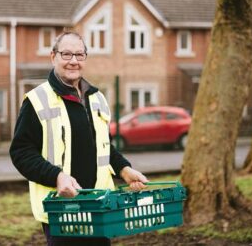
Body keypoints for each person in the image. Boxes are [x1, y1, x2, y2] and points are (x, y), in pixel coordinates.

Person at [10, 31, 148, 246]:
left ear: (85, 58)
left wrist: (124, 169)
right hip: (62, 208)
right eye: (66, 54)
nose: (73, 61)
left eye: (79, 55)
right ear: (53, 56)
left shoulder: (97, 98)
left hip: (99, 205)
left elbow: (103, 146)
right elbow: (21, 152)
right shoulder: (37, 100)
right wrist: (57, 177)